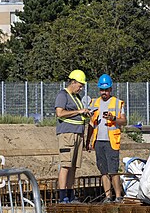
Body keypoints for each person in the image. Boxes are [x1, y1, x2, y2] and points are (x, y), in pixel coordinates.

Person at [85, 74, 127, 203]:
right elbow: (91, 124)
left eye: (106, 90)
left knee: (113, 170)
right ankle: (108, 197)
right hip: (98, 141)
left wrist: (113, 118)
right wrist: (88, 141)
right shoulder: (94, 103)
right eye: (102, 90)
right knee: (103, 170)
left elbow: (124, 121)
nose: (104, 92)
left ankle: (118, 196)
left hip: (111, 142)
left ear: (110, 89)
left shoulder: (117, 103)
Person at [54, 69, 90, 203]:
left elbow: (77, 114)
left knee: (73, 166)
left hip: (78, 134)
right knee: (66, 165)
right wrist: (78, 111)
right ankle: (63, 196)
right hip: (67, 135)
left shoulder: (76, 97)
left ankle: (70, 194)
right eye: (80, 85)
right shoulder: (63, 95)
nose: (81, 89)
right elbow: (60, 113)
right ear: (73, 82)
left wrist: (84, 114)